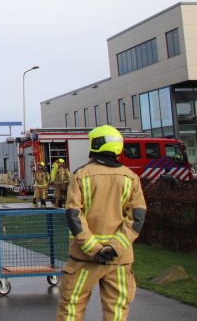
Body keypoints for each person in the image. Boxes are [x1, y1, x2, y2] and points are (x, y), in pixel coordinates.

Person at [55, 125, 147, 321]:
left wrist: (94, 249)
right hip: (119, 260)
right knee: (116, 313)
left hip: (84, 259)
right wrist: (114, 249)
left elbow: (73, 216)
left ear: (96, 145)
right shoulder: (131, 178)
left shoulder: (80, 175)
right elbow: (136, 219)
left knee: (71, 308)